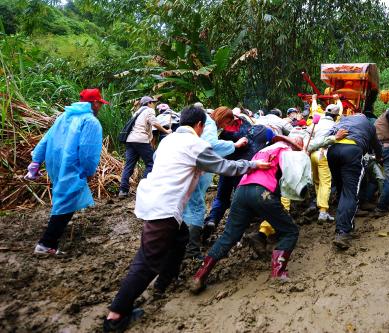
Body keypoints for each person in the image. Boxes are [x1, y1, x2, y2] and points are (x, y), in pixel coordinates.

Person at [103, 106, 270, 332]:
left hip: (156, 201)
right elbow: (225, 167)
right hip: (164, 208)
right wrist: (252, 165)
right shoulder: (195, 144)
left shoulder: (167, 141)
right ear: (200, 125)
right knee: (147, 261)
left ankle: (164, 282)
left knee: (180, 238)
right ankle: (116, 316)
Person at [189, 135, 304, 295]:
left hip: (242, 191)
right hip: (263, 192)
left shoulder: (264, 151)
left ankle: (199, 276)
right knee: (290, 231)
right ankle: (278, 273)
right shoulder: (287, 152)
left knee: (229, 236)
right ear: (295, 147)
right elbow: (292, 180)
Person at [26, 88, 107, 255]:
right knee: (66, 202)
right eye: (100, 103)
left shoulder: (64, 116)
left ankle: (49, 241)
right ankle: (46, 244)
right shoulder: (91, 122)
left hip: (56, 164)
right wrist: (88, 171)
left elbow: (46, 139)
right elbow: (88, 151)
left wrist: (36, 161)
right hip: (73, 167)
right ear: (96, 103)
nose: (101, 107)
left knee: (64, 199)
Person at [183, 106, 248, 260]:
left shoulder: (179, 135)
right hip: (199, 171)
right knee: (197, 206)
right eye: (227, 122)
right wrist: (235, 145)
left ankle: (185, 241)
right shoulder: (210, 124)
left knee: (189, 206)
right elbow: (211, 144)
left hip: (189, 171)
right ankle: (192, 249)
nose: (227, 126)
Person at [316, 111, 381, 249]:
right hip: (352, 150)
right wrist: (380, 158)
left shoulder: (342, 121)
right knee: (350, 192)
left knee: (341, 188)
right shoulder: (368, 124)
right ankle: (343, 232)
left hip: (333, 152)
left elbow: (328, 136)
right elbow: (376, 145)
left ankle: (344, 218)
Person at [118, 96, 170, 198]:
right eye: (153, 103)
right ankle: (142, 188)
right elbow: (154, 123)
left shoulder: (137, 112)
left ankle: (123, 190)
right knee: (151, 163)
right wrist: (166, 131)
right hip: (140, 140)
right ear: (149, 103)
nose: (154, 105)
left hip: (130, 140)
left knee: (129, 165)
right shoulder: (149, 110)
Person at [307, 104, 340, 223]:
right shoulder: (335, 125)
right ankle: (323, 211)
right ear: (336, 116)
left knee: (317, 181)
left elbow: (307, 135)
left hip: (312, 154)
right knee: (326, 183)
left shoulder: (316, 123)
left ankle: (319, 205)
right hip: (324, 154)